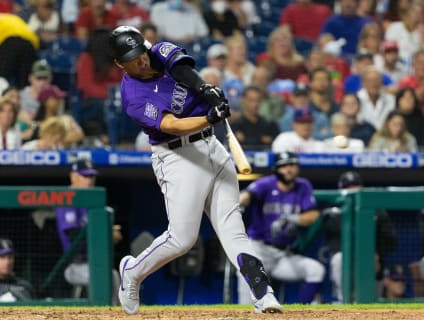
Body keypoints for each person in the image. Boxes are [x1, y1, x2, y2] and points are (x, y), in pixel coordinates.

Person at [107, 25, 282, 315]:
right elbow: (171, 125)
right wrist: (208, 116)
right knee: (182, 239)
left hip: (213, 147)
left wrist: (206, 90)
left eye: (140, 52)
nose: (140, 60)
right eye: (131, 58)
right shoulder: (133, 97)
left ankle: (263, 293)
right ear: (118, 63)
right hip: (178, 157)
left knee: (233, 228)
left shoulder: (157, 51)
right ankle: (133, 271)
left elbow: (183, 71)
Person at [237, 151, 325, 304]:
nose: (288, 169)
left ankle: (302, 312)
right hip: (258, 250)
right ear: (276, 169)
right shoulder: (266, 183)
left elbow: (313, 215)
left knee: (315, 270)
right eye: (284, 166)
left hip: (283, 255)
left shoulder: (302, 186)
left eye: (292, 165)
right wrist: (241, 202)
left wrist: (293, 218)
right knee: (247, 302)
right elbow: (247, 194)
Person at [56, 159, 123, 304]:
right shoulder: (67, 199)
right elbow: (73, 236)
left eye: (92, 176)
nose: (89, 180)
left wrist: (111, 234)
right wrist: (106, 234)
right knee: (100, 277)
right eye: (85, 176)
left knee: (114, 275)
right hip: (75, 265)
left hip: (96, 262)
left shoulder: (93, 202)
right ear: (73, 176)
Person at [323, 171, 397, 302]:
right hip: (345, 259)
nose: (352, 189)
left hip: (372, 261)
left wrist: (378, 254)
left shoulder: (376, 208)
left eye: (355, 185)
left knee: (371, 302)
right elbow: (333, 238)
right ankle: (344, 301)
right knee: (339, 259)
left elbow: (390, 239)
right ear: (341, 190)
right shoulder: (333, 209)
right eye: (348, 186)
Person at [232, 85, 280, 150]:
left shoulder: (270, 125)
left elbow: (276, 144)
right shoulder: (235, 125)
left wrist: (245, 139)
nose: (255, 104)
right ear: (243, 100)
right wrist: (262, 139)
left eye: (258, 100)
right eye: (251, 100)